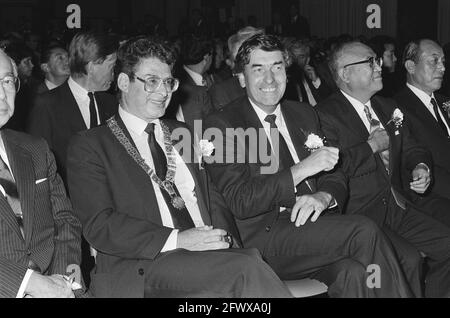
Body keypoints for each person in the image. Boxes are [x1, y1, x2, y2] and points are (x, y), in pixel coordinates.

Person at [66, 36, 292, 298]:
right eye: (152, 81)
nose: (163, 92)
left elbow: (213, 199)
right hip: (144, 266)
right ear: (124, 82)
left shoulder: (181, 132)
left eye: (168, 82)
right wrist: (178, 239)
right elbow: (99, 224)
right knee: (245, 267)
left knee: (245, 262)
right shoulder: (92, 145)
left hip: (207, 259)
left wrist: (227, 242)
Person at [205, 34, 414, 298]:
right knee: (363, 230)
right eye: (258, 70)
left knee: (353, 273)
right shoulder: (221, 125)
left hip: (314, 227)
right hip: (264, 237)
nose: (270, 79)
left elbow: (334, 172)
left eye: (277, 68)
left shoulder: (302, 113)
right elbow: (240, 200)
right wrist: (301, 170)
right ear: (242, 78)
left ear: (287, 73)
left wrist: (324, 196)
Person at [317, 41, 450, 297]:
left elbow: (413, 148)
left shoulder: (387, 106)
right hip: (360, 212)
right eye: (370, 62)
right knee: (407, 260)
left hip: (398, 205)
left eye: (377, 60)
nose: (379, 66)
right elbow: (330, 168)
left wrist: (420, 166)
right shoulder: (325, 115)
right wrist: (370, 147)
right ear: (345, 74)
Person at [0, 49, 84, 298]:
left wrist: (63, 282)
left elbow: (65, 220)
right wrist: (28, 284)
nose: (2, 95)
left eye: (7, 81)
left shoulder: (34, 148)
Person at [27, 31, 118, 183]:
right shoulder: (47, 104)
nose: (114, 75)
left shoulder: (111, 103)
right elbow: (38, 164)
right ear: (91, 67)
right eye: (111, 67)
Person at [393, 39, 450, 227]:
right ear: (410, 66)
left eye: (443, 61)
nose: (442, 67)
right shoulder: (397, 108)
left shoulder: (444, 102)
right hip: (429, 193)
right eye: (434, 61)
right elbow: (408, 163)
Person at [284, 39, 333, 105]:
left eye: (301, 57)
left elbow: (330, 98)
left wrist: (316, 80)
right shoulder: (286, 79)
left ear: (307, 60)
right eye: (293, 56)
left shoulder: (315, 72)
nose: (296, 60)